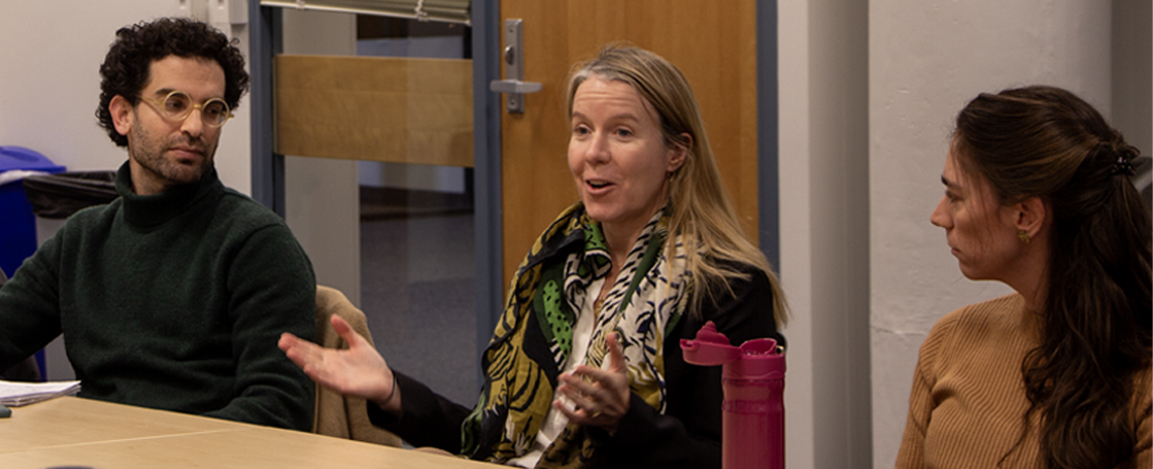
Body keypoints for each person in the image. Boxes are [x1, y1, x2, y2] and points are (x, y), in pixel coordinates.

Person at [279, 45, 787, 468]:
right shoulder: (557, 263)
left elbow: (732, 462)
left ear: (676, 152)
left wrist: (624, 417)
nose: (593, 153)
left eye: (623, 132)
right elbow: (491, 436)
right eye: (582, 129)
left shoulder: (727, 284)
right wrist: (391, 390)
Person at [0, 18, 316, 430]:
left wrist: (152, 450)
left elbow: (279, 410)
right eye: (174, 103)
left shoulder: (256, 244)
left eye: (213, 110)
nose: (194, 127)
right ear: (122, 115)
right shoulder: (83, 238)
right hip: (93, 452)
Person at [896, 85, 1152, 468]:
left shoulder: (1142, 375)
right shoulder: (948, 342)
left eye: (956, 197)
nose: (939, 216)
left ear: (1026, 217)